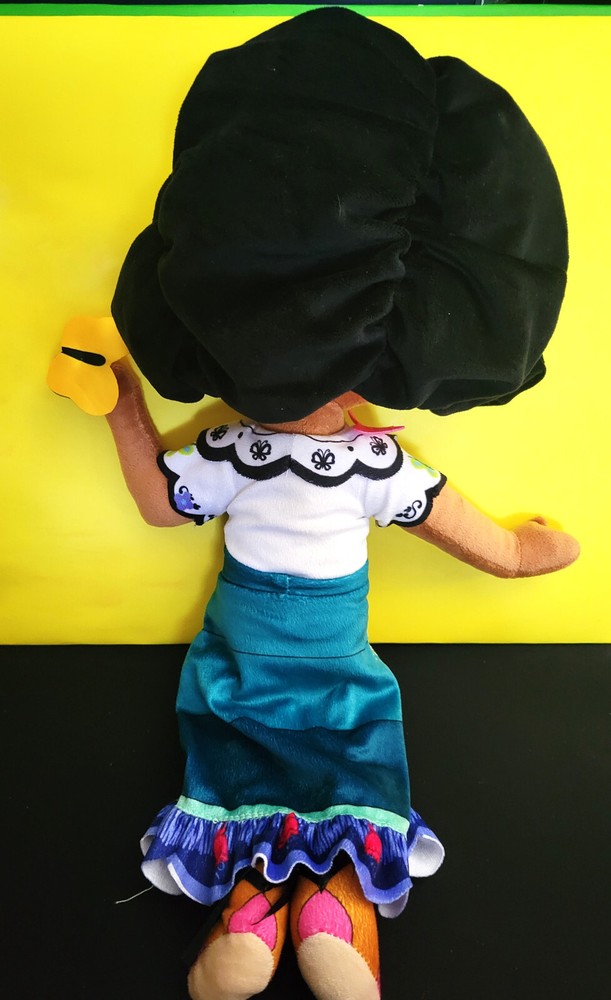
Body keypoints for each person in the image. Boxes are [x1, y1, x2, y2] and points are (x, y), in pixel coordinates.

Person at [102, 362, 578, 1000]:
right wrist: (122, 400)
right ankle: (312, 914)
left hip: (318, 670)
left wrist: (518, 555)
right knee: (269, 764)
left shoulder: (360, 461)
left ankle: (284, 913)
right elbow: (160, 503)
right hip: (247, 668)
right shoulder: (247, 451)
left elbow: (160, 501)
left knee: (337, 764)